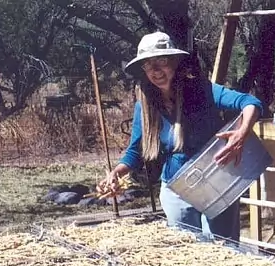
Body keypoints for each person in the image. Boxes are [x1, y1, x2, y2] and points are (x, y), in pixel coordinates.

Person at [97, 31, 263, 241]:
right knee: (185, 249)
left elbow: (250, 103)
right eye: (148, 64)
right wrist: (116, 173)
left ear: (175, 62)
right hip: (175, 188)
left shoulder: (202, 91)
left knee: (223, 249)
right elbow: (135, 150)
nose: (155, 70)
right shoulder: (145, 105)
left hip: (216, 182)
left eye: (162, 61)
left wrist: (242, 133)